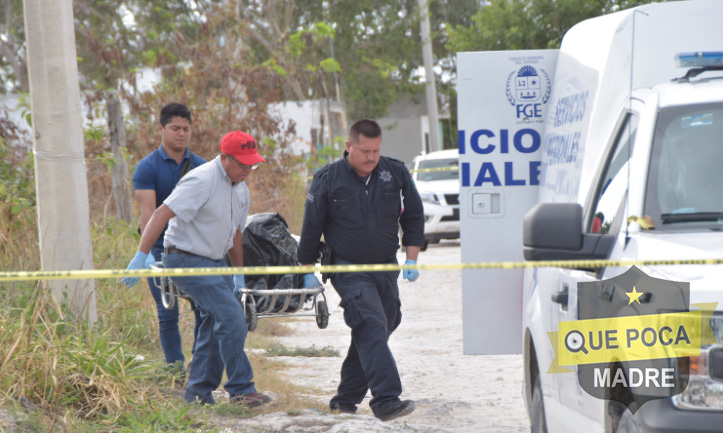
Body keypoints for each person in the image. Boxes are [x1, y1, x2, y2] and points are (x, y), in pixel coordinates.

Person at [122, 130, 272, 407]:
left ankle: (198, 394)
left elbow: (236, 234)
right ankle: (241, 388)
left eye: (253, 164)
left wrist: (237, 273)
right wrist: (141, 255)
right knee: (232, 317)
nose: (248, 169)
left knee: (214, 322)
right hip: (185, 259)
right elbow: (160, 213)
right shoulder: (201, 180)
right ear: (225, 158)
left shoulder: (240, 188)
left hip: (215, 263)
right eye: (243, 164)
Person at [297, 118, 425, 421]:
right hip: (347, 268)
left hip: (385, 267)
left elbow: (414, 215)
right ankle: (386, 400)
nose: (370, 157)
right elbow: (311, 227)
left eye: (376, 150)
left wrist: (411, 259)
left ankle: (345, 400)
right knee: (369, 321)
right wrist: (306, 271)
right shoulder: (327, 178)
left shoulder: (395, 172)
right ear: (349, 146)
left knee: (384, 322)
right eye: (364, 150)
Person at [133, 103, 206, 368]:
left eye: (186, 129)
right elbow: (149, 215)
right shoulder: (147, 167)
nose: (181, 134)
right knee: (167, 312)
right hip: (159, 250)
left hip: (195, 250)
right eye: (175, 128)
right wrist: (146, 255)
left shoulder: (202, 167)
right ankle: (174, 369)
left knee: (204, 309)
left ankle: (199, 366)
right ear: (161, 129)